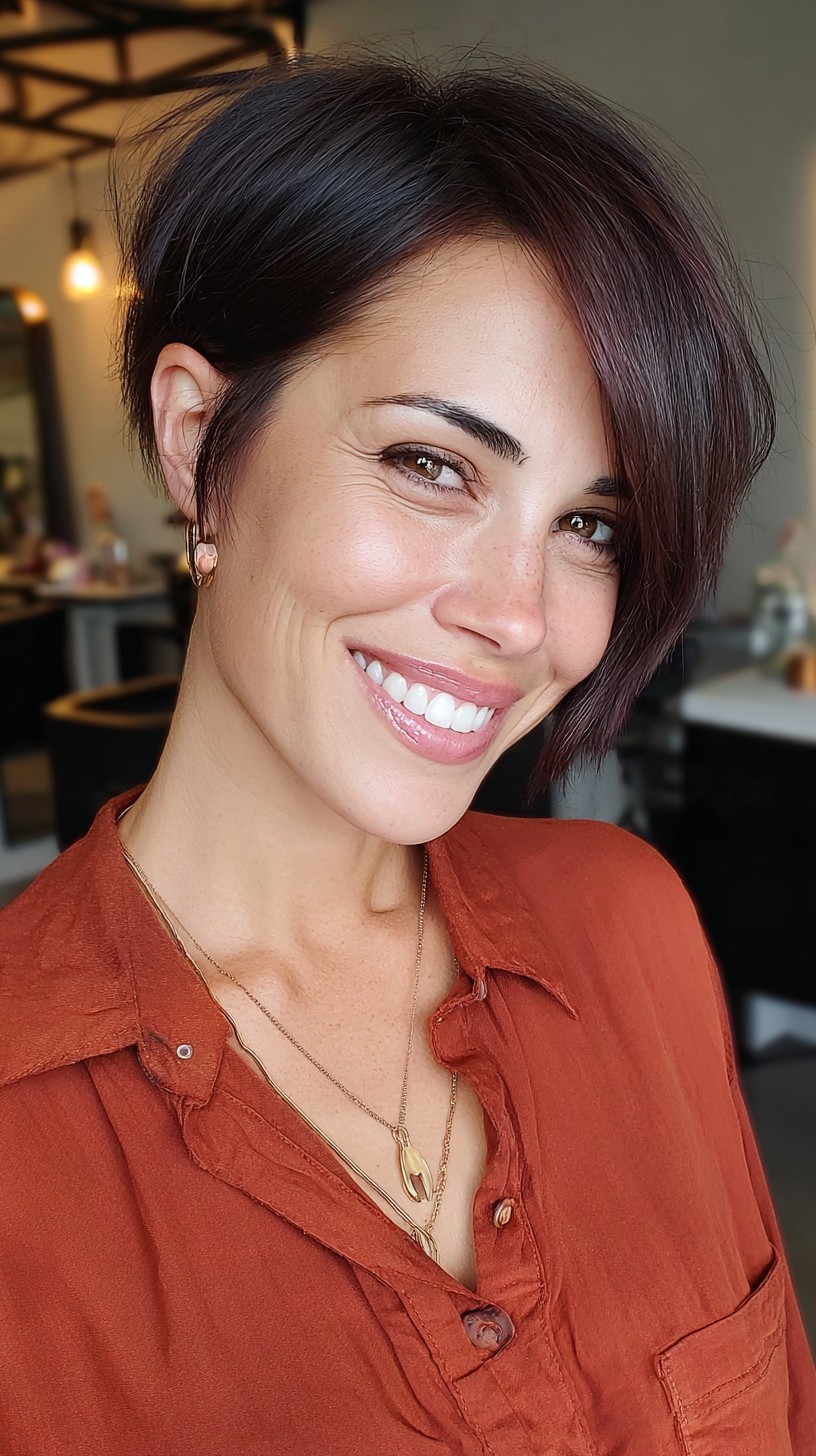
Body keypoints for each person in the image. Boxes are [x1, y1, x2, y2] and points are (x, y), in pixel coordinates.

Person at [1, 53, 813, 1456]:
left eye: (590, 526)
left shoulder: (631, 928)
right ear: (197, 442)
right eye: (433, 465)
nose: (520, 615)